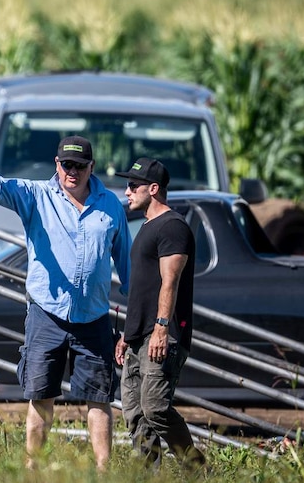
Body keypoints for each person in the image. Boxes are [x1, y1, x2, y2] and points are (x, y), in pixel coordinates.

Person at [0, 135, 131, 471]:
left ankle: (104, 471)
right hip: (47, 314)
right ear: (56, 164)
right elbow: (0, 187)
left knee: (99, 397)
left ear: (91, 167)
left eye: (79, 165)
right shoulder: (37, 195)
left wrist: (142, 317)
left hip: (94, 318)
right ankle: (33, 468)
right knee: (40, 393)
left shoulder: (111, 206)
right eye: (66, 164)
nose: (71, 171)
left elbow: (127, 265)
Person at [113, 157, 204, 468]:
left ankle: (196, 469)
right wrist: (128, 335)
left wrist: (162, 328)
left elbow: (170, 281)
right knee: (135, 413)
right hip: (139, 335)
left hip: (162, 334)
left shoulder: (173, 227)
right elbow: (143, 289)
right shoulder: (148, 227)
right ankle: (151, 474)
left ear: (153, 189)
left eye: (133, 185)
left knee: (155, 408)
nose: (127, 191)